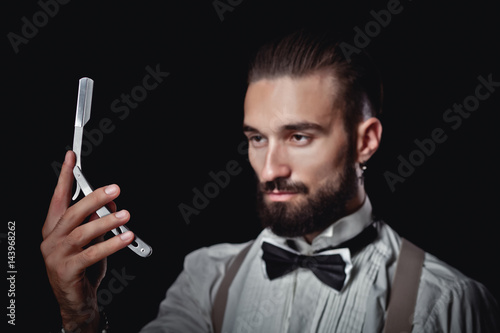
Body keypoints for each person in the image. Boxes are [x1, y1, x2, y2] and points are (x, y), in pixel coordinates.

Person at [41, 29, 499, 332]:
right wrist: (80, 316)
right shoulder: (207, 279)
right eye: (257, 138)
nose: (270, 168)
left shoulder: (448, 305)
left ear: (366, 141)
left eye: (299, 136)